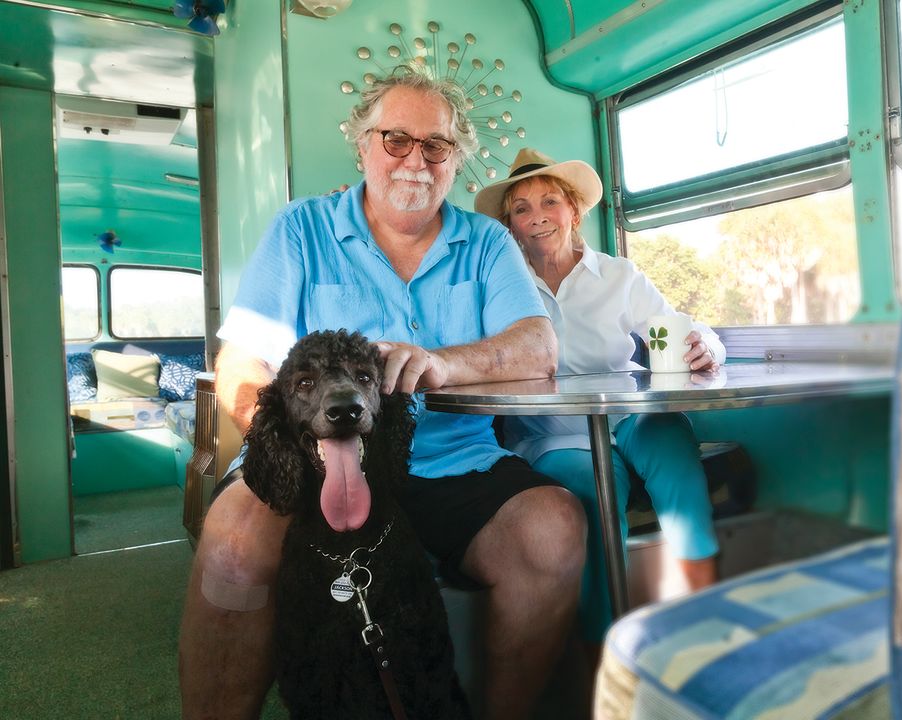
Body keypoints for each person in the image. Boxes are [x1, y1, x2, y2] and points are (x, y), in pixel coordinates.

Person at [178, 70, 587, 720]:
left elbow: (540, 349)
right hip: (316, 461)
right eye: (396, 139)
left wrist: (440, 363)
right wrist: (290, 439)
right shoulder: (300, 230)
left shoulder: (487, 244)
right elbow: (241, 361)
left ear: (456, 160)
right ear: (362, 144)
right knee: (232, 541)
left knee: (554, 529)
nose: (415, 160)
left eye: (436, 146)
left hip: (452, 462)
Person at [474, 148, 725, 647]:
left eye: (550, 202)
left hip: (627, 414)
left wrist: (706, 346)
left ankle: (705, 612)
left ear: (574, 210)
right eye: (522, 209)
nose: (538, 217)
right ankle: (608, 653)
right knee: (585, 491)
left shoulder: (619, 276)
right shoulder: (499, 288)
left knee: (674, 446)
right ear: (511, 226)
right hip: (551, 431)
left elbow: (675, 326)